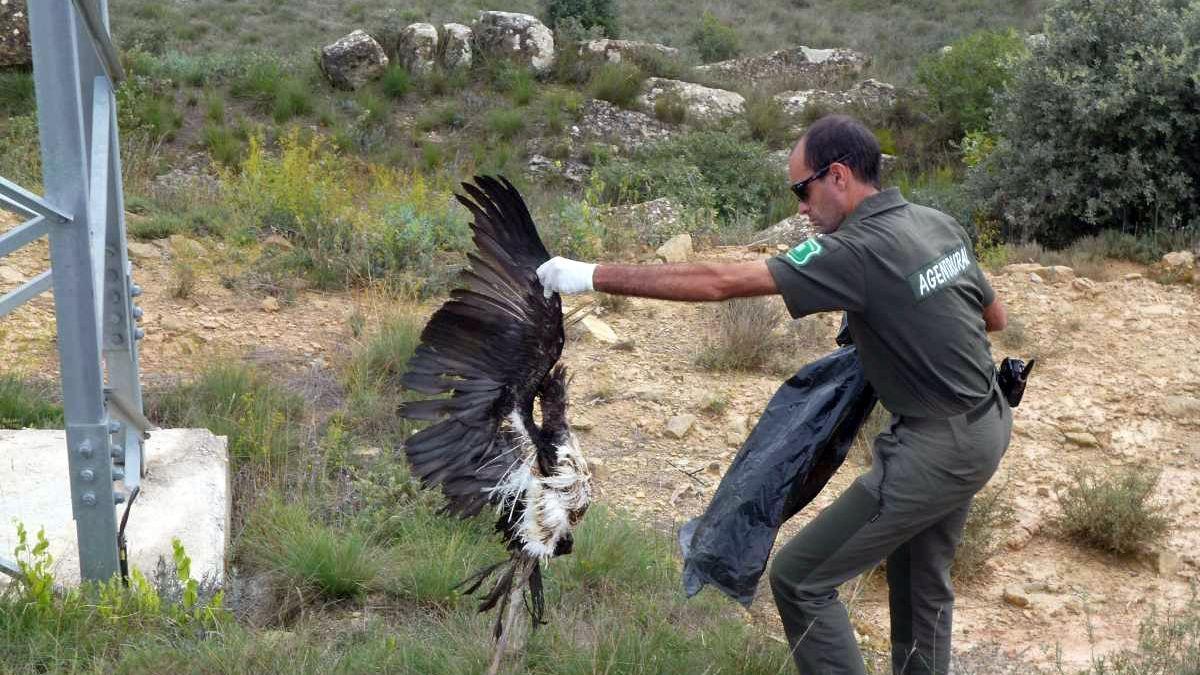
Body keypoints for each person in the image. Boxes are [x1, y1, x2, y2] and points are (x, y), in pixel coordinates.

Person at [536, 114, 1013, 674]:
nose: (801, 209)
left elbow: (721, 282)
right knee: (921, 583)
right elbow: (994, 317)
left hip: (936, 449)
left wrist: (589, 275)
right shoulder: (935, 222)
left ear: (837, 176)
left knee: (800, 580)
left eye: (801, 190)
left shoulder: (855, 250)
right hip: (989, 422)